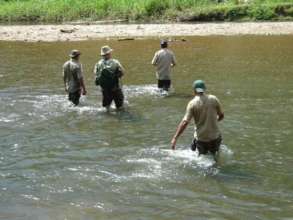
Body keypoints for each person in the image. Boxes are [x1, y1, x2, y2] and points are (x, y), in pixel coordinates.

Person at [171, 80, 224, 159]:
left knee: (201, 159)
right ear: (204, 89)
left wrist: (175, 138)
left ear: (194, 90)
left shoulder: (192, 103)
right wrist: (214, 121)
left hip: (202, 139)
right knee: (214, 158)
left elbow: (185, 122)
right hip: (215, 138)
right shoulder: (214, 99)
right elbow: (221, 115)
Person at [94, 45, 125, 111]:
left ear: (102, 55)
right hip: (115, 88)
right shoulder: (115, 62)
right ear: (109, 53)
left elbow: (96, 74)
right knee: (120, 107)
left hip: (105, 89)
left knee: (106, 107)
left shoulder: (98, 64)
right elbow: (122, 72)